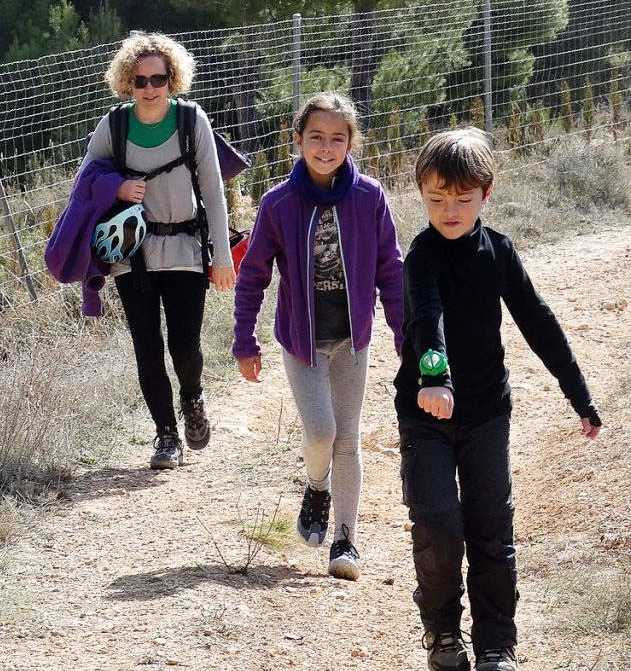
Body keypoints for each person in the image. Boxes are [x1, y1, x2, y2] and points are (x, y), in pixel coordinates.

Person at [395, 127, 601, 671]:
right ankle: (441, 628)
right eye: (437, 198)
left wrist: (577, 393)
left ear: (487, 192)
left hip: (486, 414)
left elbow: (536, 320)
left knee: (491, 526)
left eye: (463, 198)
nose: (450, 209)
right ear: (421, 193)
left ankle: (497, 644)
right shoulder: (421, 256)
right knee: (439, 524)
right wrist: (434, 378)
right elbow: (427, 318)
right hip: (426, 415)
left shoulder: (499, 251)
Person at [233, 93, 404, 581]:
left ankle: (345, 541)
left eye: (337, 138)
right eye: (316, 137)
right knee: (321, 432)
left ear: (351, 143)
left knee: (348, 437)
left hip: (352, 338)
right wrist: (245, 340)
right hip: (301, 340)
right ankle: (316, 485)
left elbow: (390, 268)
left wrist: (403, 333)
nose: (326, 147)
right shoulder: (278, 203)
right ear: (298, 140)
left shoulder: (369, 196)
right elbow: (253, 275)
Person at [79, 34, 235, 471]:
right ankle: (166, 435)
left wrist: (221, 257)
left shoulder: (191, 120)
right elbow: (86, 181)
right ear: (128, 82)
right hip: (134, 257)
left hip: (185, 250)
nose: (150, 88)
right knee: (147, 349)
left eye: (158, 79)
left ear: (172, 79)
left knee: (184, 348)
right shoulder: (115, 126)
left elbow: (213, 191)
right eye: (140, 79)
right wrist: (118, 187)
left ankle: (192, 398)